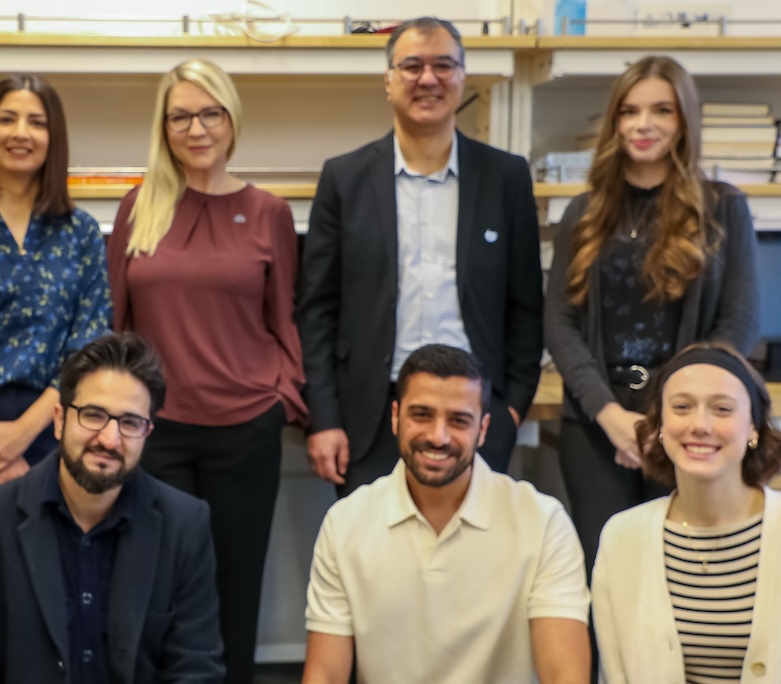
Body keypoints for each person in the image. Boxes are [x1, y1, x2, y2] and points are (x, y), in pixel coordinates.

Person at [107, 58, 307, 684]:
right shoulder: (139, 209)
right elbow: (116, 322)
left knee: (235, 588)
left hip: (245, 428)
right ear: (164, 129)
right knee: (153, 584)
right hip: (155, 429)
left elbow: (286, 321)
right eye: (180, 116)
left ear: (230, 119)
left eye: (209, 113)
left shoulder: (268, 212)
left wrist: (283, 397)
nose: (196, 128)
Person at [298, 17, 543, 496]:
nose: (427, 79)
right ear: (388, 81)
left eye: (443, 65)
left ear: (462, 77)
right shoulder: (343, 179)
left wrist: (511, 409)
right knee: (375, 561)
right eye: (411, 66)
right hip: (370, 417)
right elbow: (316, 312)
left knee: (472, 560)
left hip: (476, 414)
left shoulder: (506, 177)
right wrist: (323, 418)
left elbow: (527, 307)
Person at [544, 55, 759, 580]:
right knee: (606, 574)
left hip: (689, 424)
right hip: (597, 423)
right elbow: (559, 322)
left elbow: (739, 322)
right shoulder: (585, 212)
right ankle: (610, 669)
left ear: (684, 119)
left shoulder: (723, 208)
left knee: (682, 572)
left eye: (661, 110)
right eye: (630, 111)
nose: (643, 125)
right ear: (615, 122)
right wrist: (613, 418)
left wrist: (664, 419)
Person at [0, 333, 225, 683]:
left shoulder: (185, 525)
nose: (109, 439)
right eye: (93, 415)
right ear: (59, 420)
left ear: (147, 433)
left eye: (130, 423)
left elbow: (195, 671)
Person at [302, 344, 590, 684]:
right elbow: (324, 674)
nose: (438, 437)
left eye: (458, 420)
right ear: (395, 417)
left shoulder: (543, 522)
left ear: (482, 430)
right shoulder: (345, 522)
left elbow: (564, 674)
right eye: (422, 415)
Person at [0, 74, 111, 591]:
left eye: (37, 122)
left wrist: (23, 434)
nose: (22, 132)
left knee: (49, 586)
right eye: (8, 118)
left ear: (53, 138)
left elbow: (90, 342)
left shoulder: (79, 233)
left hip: (55, 432)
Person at [592, 342, 781, 683]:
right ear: (660, 425)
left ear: (753, 427)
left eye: (722, 409)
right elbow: (614, 674)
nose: (700, 424)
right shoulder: (621, 537)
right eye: (681, 407)